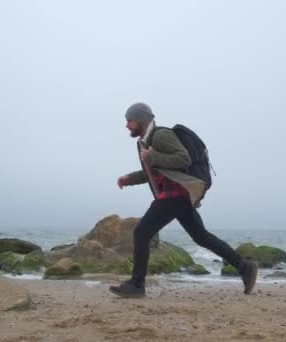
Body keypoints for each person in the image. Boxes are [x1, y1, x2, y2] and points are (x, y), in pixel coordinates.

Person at [109, 102, 258, 298]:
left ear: (141, 120)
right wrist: (129, 179)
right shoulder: (143, 143)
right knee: (201, 236)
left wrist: (152, 156)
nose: (127, 125)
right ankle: (244, 266)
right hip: (178, 196)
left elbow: (183, 158)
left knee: (142, 232)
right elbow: (153, 171)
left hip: (176, 193)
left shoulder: (161, 135)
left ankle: (137, 284)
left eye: (129, 121)